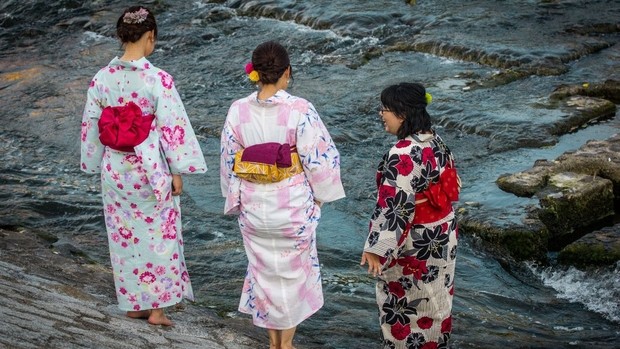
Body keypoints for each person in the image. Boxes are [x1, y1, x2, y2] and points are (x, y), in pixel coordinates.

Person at [80, 6, 207, 326]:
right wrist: (178, 169)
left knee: (124, 237)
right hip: (150, 172)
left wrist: (94, 161)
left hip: (115, 169)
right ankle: (158, 309)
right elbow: (172, 128)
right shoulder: (158, 79)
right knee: (158, 237)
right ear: (150, 37)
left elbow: (92, 125)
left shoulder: (102, 78)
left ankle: (133, 302)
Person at [220, 41, 345, 349]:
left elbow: (228, 161)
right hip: (291, 209)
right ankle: (285, 345)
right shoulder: (299, 110)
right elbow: (321, 158)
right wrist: (319, 198)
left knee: (264, 274)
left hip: (253, 207)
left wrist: (235, 200)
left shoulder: (238, 110)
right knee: (292, 277)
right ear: (287, 72)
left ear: (255, 72)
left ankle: (275, 342)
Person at [360, 83, 460, 348]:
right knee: (437, 302)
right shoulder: (437, 141)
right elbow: (453, 186)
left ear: (402, 113)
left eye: (385, 109)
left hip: (415, 244)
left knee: (405, 308)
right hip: (442, 235)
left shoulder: (402, 153)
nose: (381, 114)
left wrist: (376, 249)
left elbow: (395, 207)